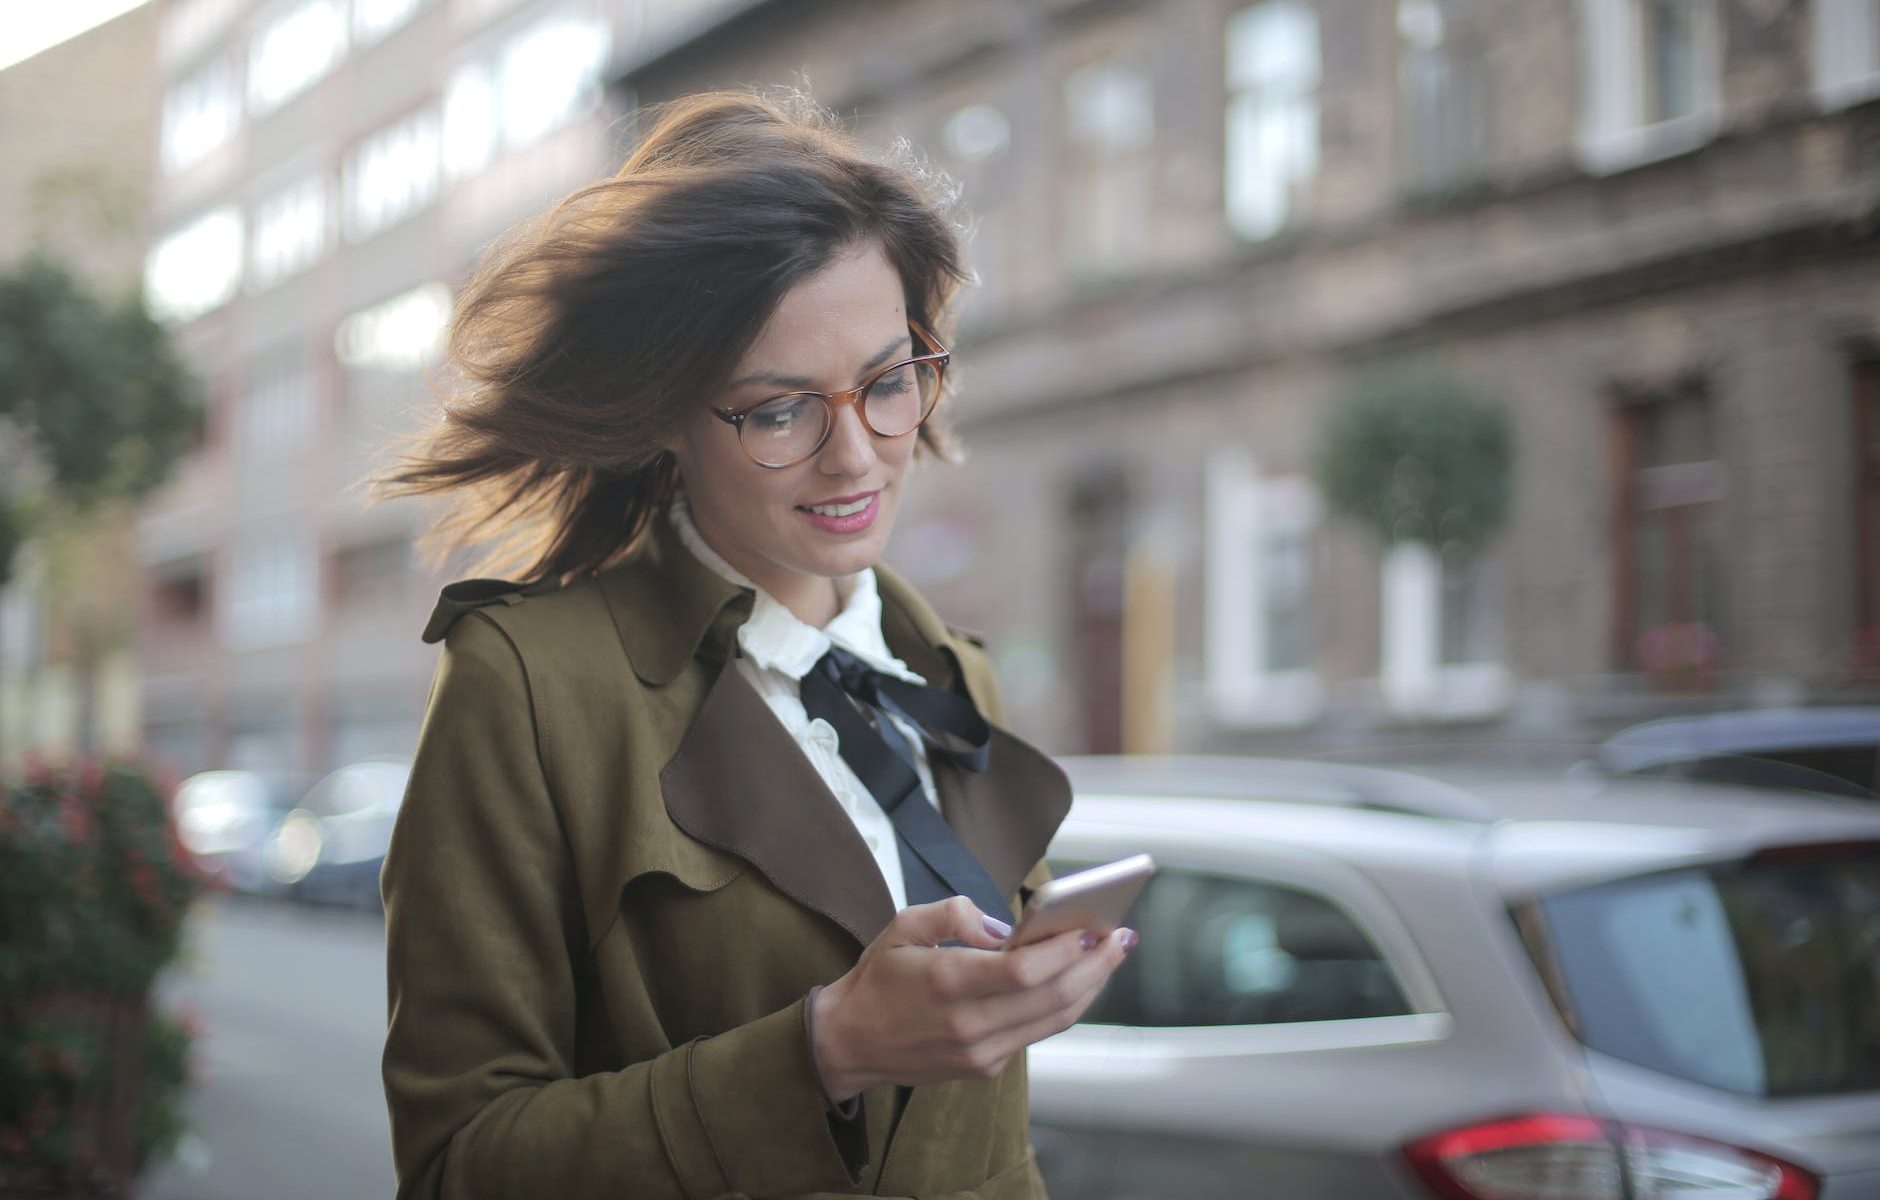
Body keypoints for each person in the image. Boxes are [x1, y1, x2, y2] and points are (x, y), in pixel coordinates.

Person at [371, 89, 1136, 1200]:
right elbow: (460, 1164)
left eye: (886, 383)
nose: (858, 459)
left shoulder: (946, 672)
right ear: (666, 417)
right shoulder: (531, 686)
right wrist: (823, 1049)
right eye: (779, 412)